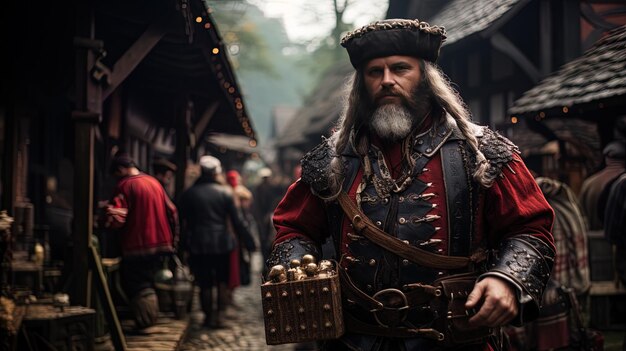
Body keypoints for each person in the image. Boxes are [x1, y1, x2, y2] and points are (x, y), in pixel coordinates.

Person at [267, 19, 555, 350]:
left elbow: (531, 228)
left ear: (425, 78)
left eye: (400, 68)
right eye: (375, 72)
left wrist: (507, 279)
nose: (387, 80)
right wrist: (296, 266)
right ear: (362, 84)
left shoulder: (481, 151)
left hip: (454, 339)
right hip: (354, 341)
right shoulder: (332, 158)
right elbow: (293, 229)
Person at [178, 156, 255, 328]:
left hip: (198, 244)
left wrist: (181, 246)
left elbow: (181, 223)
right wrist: (249, 242)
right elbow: (238, 221)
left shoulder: (189, 194)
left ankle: (208, 316)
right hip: (222, 243)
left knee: (204, 282)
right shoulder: (225, 193)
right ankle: (219, 316)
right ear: (216, 172)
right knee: (222, 281)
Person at [106, 152, 179, 330]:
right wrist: (173, 240)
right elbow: (172, 212)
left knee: (138, 285)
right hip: (160, 245)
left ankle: (146, 320)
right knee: (150, 280)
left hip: (136, 245)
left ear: (121, 169)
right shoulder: (154, 182)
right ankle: (152, 316)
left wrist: (105, 217)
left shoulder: (124, 185)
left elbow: (118, 218)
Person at [578, 141, 625, 230]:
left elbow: (580, 214)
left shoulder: (589, 183)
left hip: (593, 239)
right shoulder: (623, 183)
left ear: (606, 159)